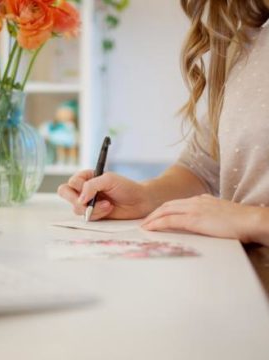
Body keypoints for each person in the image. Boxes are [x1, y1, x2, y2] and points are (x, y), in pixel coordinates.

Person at [58, 0, 269, 247]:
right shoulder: (247, 41)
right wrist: (146, 196)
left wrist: (253, 220)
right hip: (244, 278)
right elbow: (202, 168)